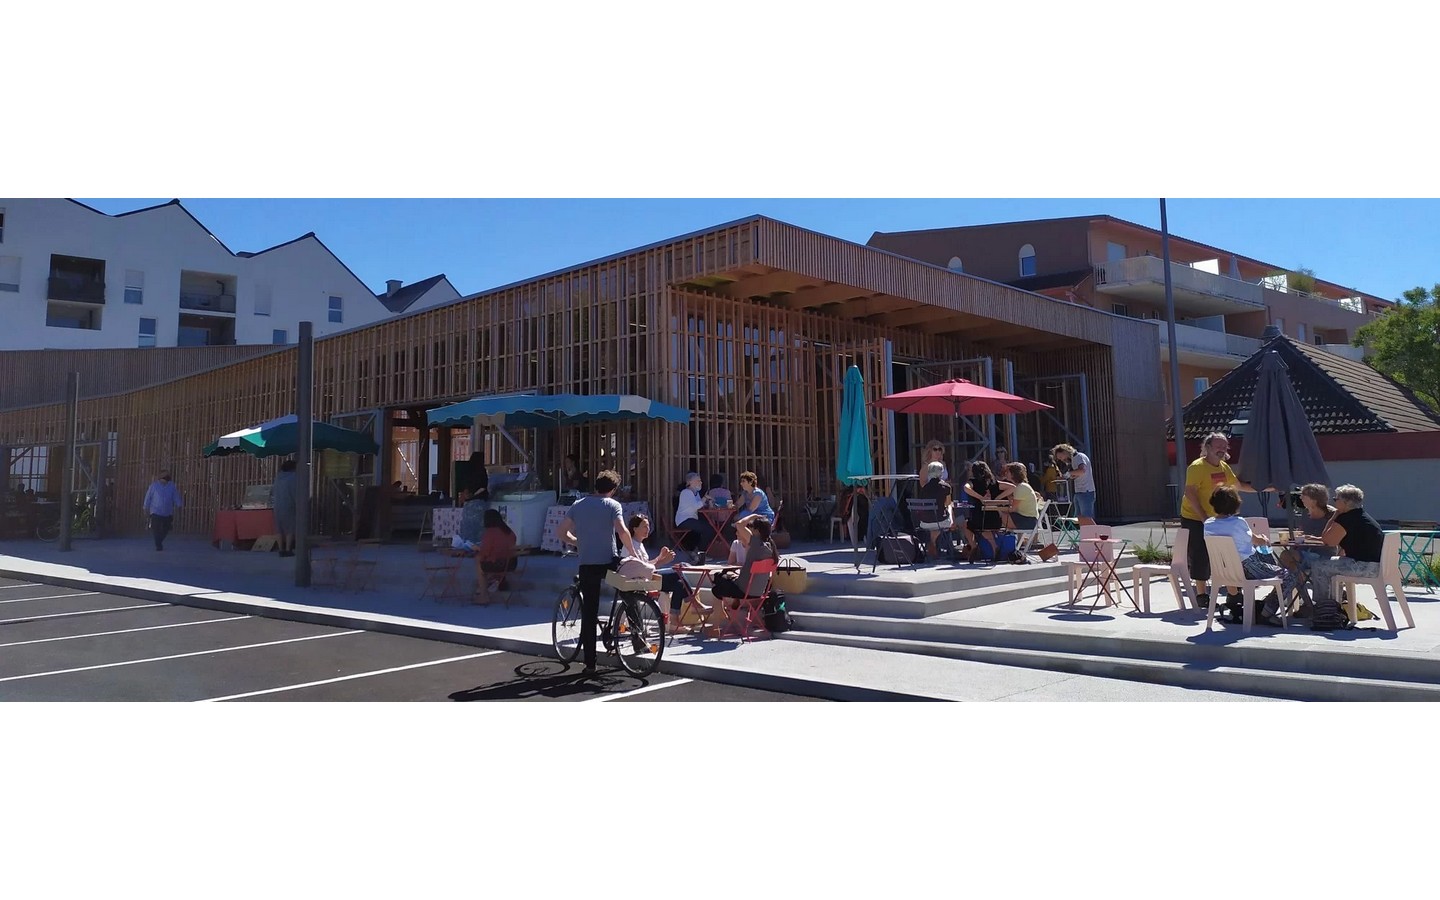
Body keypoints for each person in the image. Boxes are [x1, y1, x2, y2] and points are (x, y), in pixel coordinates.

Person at [559, 469, 639, 676]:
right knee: (628, 593)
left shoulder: (578, 505)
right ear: (613, 490)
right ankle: (638, 639)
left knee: (589, 611)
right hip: (608, 561)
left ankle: (590, 664)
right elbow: (622, 530)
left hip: (587, 563)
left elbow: (561, 532)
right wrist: (633, 552)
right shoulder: (612, 505)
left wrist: (578, 542)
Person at [1179, 432, 1254, 610]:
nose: (1222, 449)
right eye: (1218, 446)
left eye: (1224, 446)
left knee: (1227, 552)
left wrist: (1266, 488)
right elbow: (1190, 492)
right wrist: (1204, 517)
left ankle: (1233, 593)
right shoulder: (1197, 467)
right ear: (1208, 447)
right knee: (1200, 553)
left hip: (1216, 518)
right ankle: (1201, 594)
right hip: (1194, 516)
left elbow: (1237, 486)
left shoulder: (1223, 467)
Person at [1203, 485, 1297, 626]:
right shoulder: (1238, 522)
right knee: (1289, 576)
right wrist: (1263, 539)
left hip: (1223, 570)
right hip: (1246, 568)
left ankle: (1261, 606)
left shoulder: (1208, 524)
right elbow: (1256, 541)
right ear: (1235, 504)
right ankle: (1266, 611)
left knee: (1261, 555)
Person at [1305, 484, 1385, 611]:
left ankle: (1323, 607)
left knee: (1319, 566)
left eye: (1336, 499)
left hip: (1362, 567)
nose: (1334, 502)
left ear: (1345, 502)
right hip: (1376, 566)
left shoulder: (1346, 518)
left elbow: (1328, 540)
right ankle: (1334, 604)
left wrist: (1334, 517)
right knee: (1329, 565)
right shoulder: (1363, 517)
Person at [617, 513, 690, 632]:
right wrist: (663, 561)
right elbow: (642, 569)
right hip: (638, 581)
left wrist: (660, 557)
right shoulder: (631, 546)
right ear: (635, 529)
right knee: (677, 574)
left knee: (678, 583)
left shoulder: (639, 544)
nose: (648, 529)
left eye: (648, 526)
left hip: (645, 577)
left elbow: (646, 564)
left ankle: (673, 621)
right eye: (644, 526)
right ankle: (691, 603)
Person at [1276, 483, 1335, 612]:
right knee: (1291, 562)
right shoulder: (1305, 513)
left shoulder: (1332, 515)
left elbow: (1334, 540)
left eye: (1304, 495)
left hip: (1323, 554)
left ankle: (1281, 596)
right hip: (1304, 553)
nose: (1301, 497)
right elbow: (1302, 533)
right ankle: (1305, 601)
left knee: (1289, 558)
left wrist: (1309, 538)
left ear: (1314, 499)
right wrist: (1294, 537)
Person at [711, 513, 777, 606]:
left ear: (757, 531)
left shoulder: (756, 543)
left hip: (743, 590)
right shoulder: (770, 546)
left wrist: (753, 515)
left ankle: (722, 611)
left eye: (752, 528)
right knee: (725, 580)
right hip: (759, 591)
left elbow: (739, 524)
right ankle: (732, 603)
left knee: (717, 580)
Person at [961, 460, 1007, 562]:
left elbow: (966, 488)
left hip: (980, 517)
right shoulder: (994, 482)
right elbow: (1012, 487)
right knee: (983, 527)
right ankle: (994, 547)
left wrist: (980, 497)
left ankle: (973, 545)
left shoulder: (973, 481)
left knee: (967, 524)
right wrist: (997, 498)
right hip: (995, 519)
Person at [474, 508, 519, 600]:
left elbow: (486, 552)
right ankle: (493, 581)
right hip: (511, 563)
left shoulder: (490, 532)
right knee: (484, 561)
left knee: (479, 561)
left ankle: (483, 595)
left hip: (498, 564)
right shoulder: (508, 531)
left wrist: (478, 550)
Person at [914, 460, 954, 560]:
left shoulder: (924, 487)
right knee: (950, 507)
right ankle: (935, 542)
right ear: (941, 472)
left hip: (924, 522)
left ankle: (932, 544)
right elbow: (947, 503)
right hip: (940, 521)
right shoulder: (946, 487)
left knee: (935, 521)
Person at [1052, 443, 1096, 526]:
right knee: (1080, 518)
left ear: (1065, 452)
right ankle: (1086, 533)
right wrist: (1068, 476)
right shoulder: (1073, 460)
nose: (1062, 460)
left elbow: (1082, 470)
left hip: (1086, 491)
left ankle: (1098, 533)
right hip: (1079, 491)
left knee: (1086, 518)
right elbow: (1077, 474)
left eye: (1061, 457)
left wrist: (1068, 474)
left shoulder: (1079, 457)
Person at [673, 472, 713, 562]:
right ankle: (701, 553)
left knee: (707, 527)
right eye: (698, 480)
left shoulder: (695, 493)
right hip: (684, 520)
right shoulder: (686, 492)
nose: (701, 482)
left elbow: (700, 505)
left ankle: (697, 552)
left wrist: (708, 501)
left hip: (692, 519)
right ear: (690, 482)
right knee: (708, 529)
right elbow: (696, 506)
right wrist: (705, 498)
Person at [142, 469, 183, 551]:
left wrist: (179, 504)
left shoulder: (172, 486)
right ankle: (158, 544)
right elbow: (148, 497)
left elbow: (176, 496)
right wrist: (145, 507)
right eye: (164, 476)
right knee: (156, 529)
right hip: (156, 511)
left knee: (166, 529)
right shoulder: (154, 486)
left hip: (167, 512)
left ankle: (159, 541)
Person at [459, 451, 490, 544]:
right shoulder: (481, 471)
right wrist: (475, 494)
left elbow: (464, 487)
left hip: (468, 503)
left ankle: (468, 543)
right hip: (480, 501)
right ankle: (479, 544)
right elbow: (483, 487)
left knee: (469, 525)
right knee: (480, 526)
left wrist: (467, 496)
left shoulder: (467, 471)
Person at [271, 459, 298, 558]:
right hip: (289, 504)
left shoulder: (278, 477)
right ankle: (288, 549)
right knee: (290, 527)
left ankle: (280, 549)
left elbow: (273, 491)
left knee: (279, 527)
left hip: (277, 505)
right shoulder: (294, 477)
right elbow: (295, 491)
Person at [1004, 462, 1039, 533]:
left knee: (1000, 516)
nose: (1005, 474)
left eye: (1007, 472)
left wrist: (998, 509)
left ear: (1013, 474)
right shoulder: (1022, 486)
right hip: (1030, 519)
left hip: (1028, 521)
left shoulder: (1020, 488)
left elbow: (1013, 509)